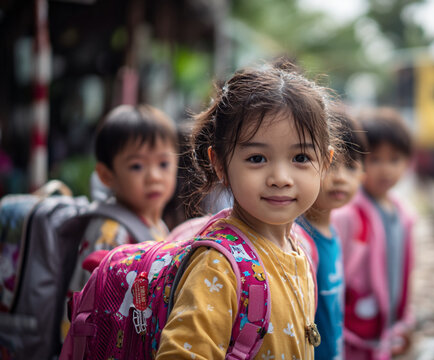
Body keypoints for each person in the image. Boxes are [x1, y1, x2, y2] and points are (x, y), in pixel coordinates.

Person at [156, 61, 335, 359]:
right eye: (256, 158)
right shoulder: (218, 266)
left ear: (325, 163)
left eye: (300, 157)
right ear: (220, 164)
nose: (280, 178)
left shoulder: (297, 248)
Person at [332, 107, 416, 360]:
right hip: (353, 334)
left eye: (394, 160)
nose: (385, 170)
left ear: (407, 162)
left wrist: (404, 320)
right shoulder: (347, 214)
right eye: (375, 159)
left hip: (385, 329)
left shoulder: (403, 214)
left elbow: (403, 271)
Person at [68, 104, 178, 292]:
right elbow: (93, 304)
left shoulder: (157, 226)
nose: (154, 176)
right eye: (137, 166)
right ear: (106, 176)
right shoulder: (111, 233)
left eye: (163, 163)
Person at [295, 105, 367, 359]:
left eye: (351, 167)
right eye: (331, 165)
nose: (340, 178)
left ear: (362, 173)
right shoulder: (297, 240)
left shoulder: (334, 230)